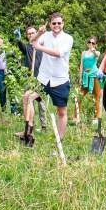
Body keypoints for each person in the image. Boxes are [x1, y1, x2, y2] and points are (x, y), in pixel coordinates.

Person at [30, 12, 74, 142]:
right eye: (54, 23)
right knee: (28, 98)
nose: (56, 25)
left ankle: (59, 139)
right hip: (43, 78)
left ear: (63, 24)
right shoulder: (46, 35)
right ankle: (29, 131)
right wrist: (38, 33)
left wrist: (40, 47)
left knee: (61, 112)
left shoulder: (68, 38)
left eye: (59, 23)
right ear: (50, 24)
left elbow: (59, 53)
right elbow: (32, 42)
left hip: (60, 81)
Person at [17, 26, 47, 130]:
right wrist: (18, 39)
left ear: (37, 33)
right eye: (29, 34)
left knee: (41, 104)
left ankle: (44, 126)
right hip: (29, 80)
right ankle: (31, 125)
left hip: (41, 79)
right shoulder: (27, 47)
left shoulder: (42, 46)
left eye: (33, 33)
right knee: (29, 101)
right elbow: (21, 46)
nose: (31, 35)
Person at [76, 37, 102, 123]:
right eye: (89, 42)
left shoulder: (96, 52)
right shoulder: (83, 53)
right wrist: (80, 77)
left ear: (96, 45)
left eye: (93, 43)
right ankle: (76, 116)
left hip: (94, 76)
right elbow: (81, 66)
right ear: (87, 43)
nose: (91, 44)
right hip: (85, 76)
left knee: (96, 96)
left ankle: (96, 117)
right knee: (79, 96)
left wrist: (93, 50)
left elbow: (97, 55)